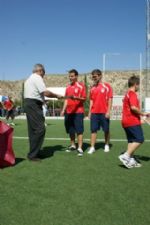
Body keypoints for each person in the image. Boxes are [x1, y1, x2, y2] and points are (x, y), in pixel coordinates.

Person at [24, 64, 62, 162]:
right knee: (40, 129)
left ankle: (34, 152)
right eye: (43, 73)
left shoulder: (29, 79)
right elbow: (45, 92)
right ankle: (32, 154)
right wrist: (56, 95)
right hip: (33, 105)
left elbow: (37, 94)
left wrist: (42, 100)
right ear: (40, 71)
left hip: (30, 104)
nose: (43, 76)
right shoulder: (37, 78)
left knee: (33, 130)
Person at [119, 75, 150, 168]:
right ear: (135, 84)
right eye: (138, 85)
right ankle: (126, 155)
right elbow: (133, 108)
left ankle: (131, 159)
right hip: (131, 121)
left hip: (126, 121)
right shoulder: (132, 94)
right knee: (139, 139)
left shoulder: (127, 94)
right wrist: (143, 114)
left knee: (131, 140)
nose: (138, 87)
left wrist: (141, 117)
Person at [61, 69, 86, 156]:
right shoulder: (68, 87)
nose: (70, 78)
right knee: (70, 130)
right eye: (69, 76)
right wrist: (63, 109)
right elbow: (66, 100)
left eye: (72, 76)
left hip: (78, 112)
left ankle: (80, 148)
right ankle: (72, 145)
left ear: (76, 76)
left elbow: (84, 98)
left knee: (79, 130)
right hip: (68, 112)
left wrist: (76, 97)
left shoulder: (81, 86)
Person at [88, 69, 113, 154]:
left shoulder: (107, 86)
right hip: (94, 113)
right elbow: (91, 100)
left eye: (95, 76)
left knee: (106, 130)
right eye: (92, 77)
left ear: (100, 76)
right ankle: (92, 147)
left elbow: (110, 99)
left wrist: (108, 111)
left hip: (104, 112)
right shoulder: (92, 88)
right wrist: (90, 112)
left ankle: (106, 144)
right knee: (93, 130)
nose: (94, 78)